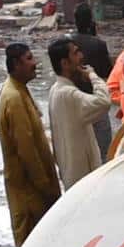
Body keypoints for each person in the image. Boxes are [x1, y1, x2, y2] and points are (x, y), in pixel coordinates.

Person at [0, 43, 59, 247]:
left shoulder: (19, 89)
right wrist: (46, 187)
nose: (35, 64)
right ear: (16, 64)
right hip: (29, 194)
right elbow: (27, 152)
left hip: (34, 190)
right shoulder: (13, 98)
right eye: (29, 59)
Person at [46, 38, 110, 188]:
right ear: (65, 63)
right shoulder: (69, 94)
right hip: (82, 177)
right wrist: (92, 76)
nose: (81, 56)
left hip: (70, 172)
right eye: (76, 53)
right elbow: (104, 102)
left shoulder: (55, 89)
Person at [69, 3, 113, 155]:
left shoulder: (67, 44)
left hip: (75, 104)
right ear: (91, 21)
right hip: (96, 101)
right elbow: (107, 72)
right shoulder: (99, 44)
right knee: (103, 150)